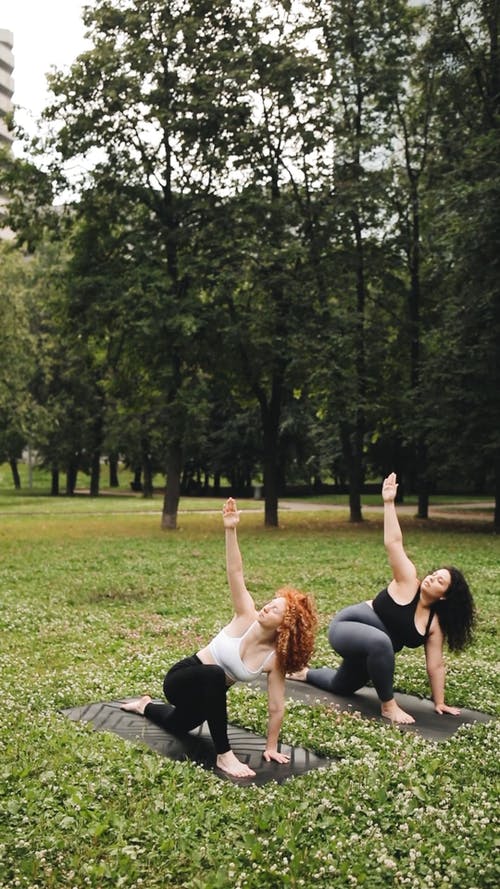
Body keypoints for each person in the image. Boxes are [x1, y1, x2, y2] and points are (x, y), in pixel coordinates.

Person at [122, 497, 317, 777]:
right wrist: (230, 528)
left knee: (179, 724)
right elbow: (235, 572)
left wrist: (271, 746)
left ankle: (145, 705)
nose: (268, 605)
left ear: (284, 626)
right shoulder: (245, 615)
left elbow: (276, 706)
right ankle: (225, 756)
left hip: (207, 699)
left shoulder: (274, 659)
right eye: (272, 601)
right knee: (215, 674)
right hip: (183, 677)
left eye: (277, 609)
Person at [289, 472, 475, 724]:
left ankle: (304, 673)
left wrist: (439, 702)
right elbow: (394, 543)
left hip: (373, 650)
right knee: (382, 641)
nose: (431, 578)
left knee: (341, 685)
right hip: (347, 627)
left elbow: (436, 665)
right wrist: (388, 502)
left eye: (439, 581)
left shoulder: (433, 624)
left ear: (445, 597)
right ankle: (388, 706)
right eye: (434, 574)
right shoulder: (409, 580)